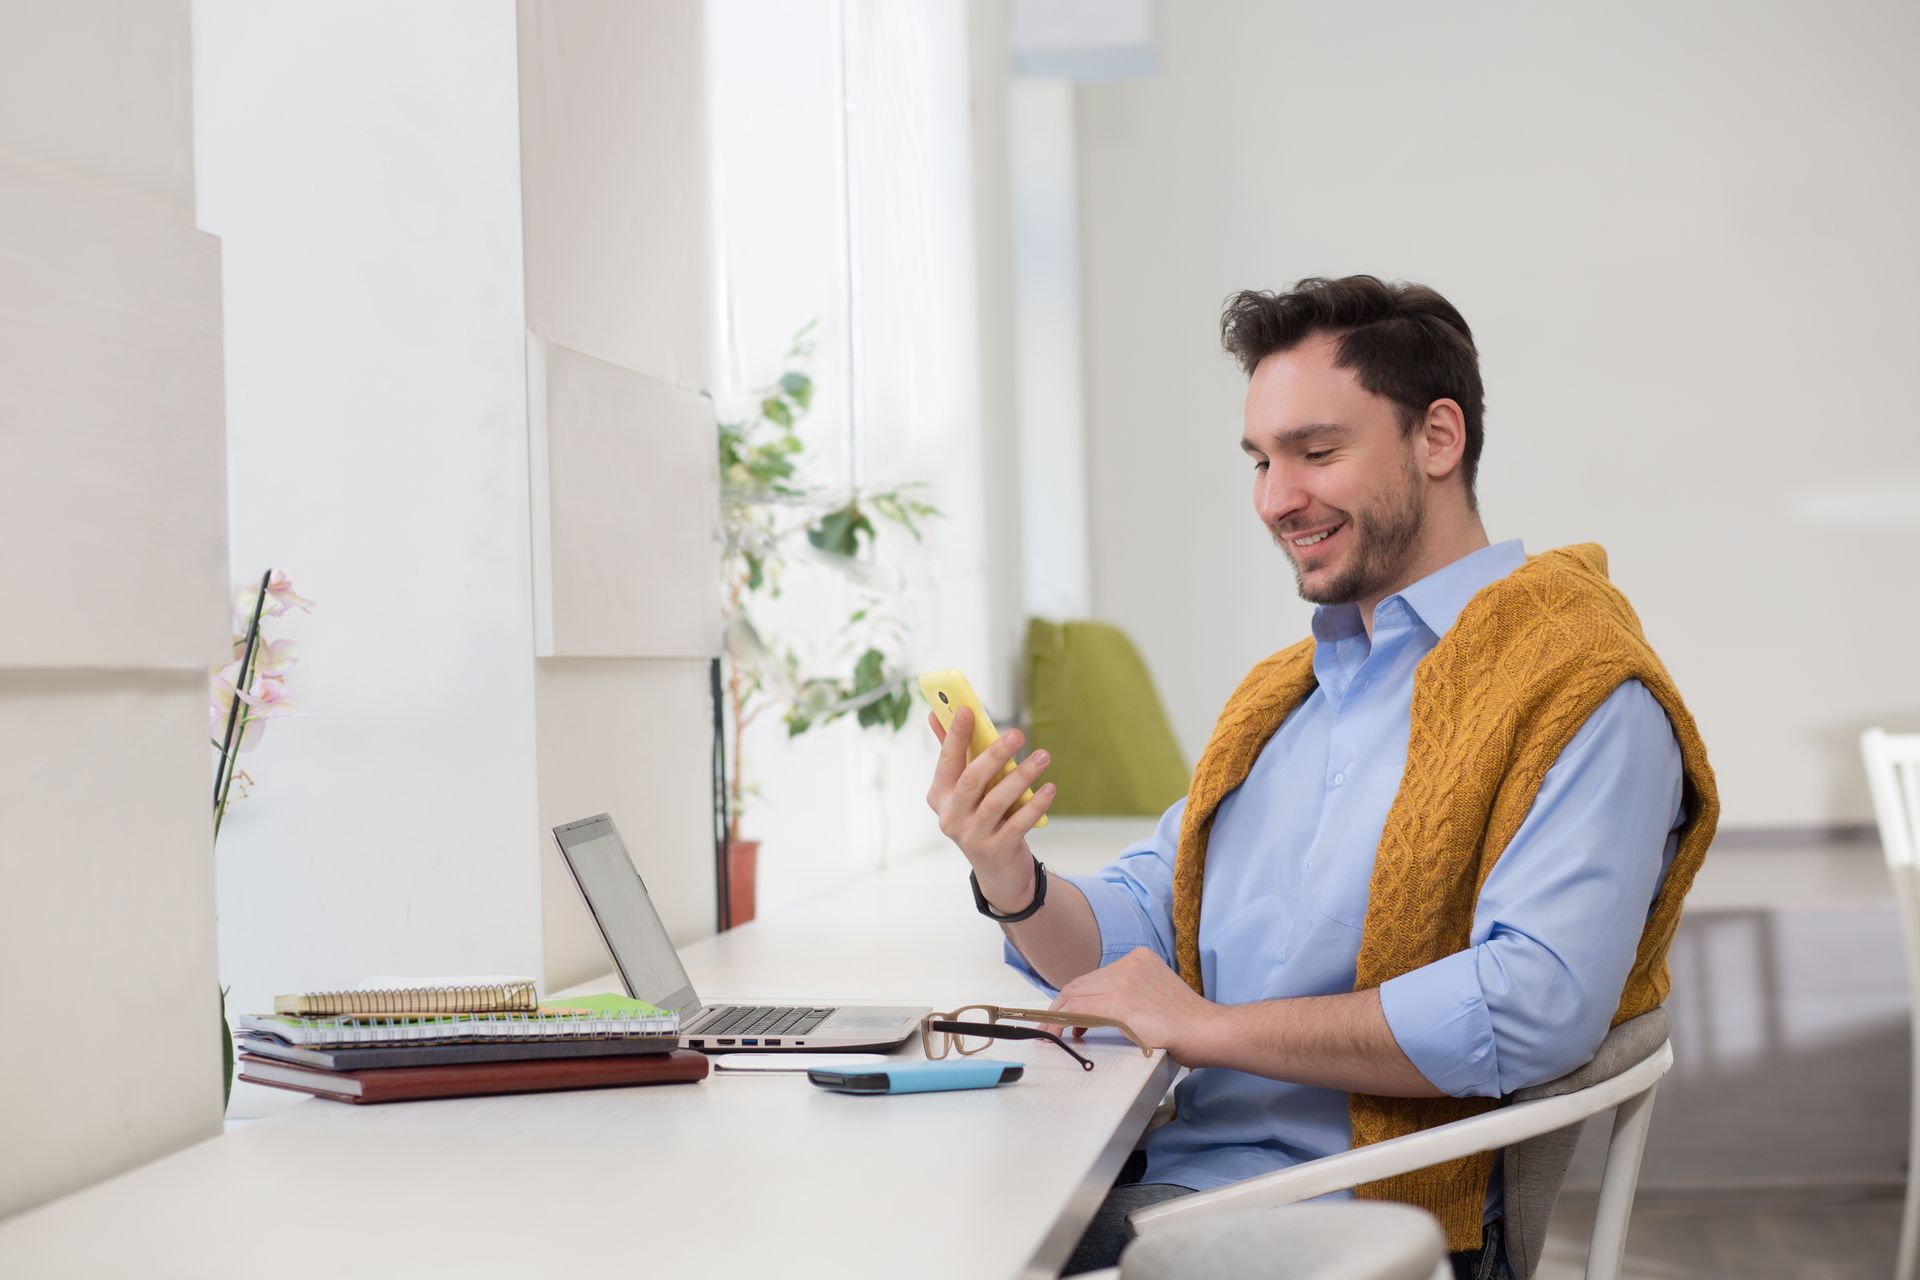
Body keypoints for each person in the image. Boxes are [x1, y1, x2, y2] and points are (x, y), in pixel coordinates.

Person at [923, 275, 1718, 1279]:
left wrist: (1207, 1028)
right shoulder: (1286, 694)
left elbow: (1531, 1003)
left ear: (1439, 438)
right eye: (1261, 458)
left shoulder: (1583, 687)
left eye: (1316, 451)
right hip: (1174, 1181)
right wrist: (1011, 876)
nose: (1274, 497)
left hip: (1350, 1224)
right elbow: (1140, 926)